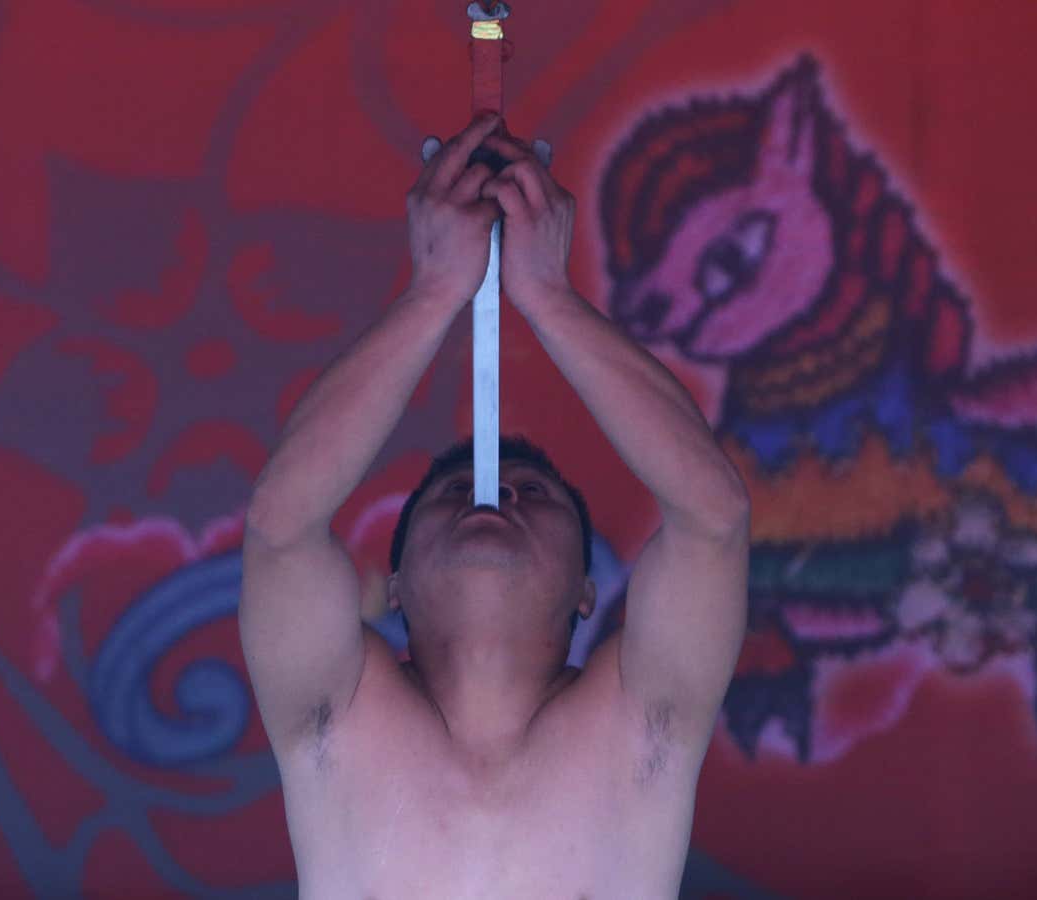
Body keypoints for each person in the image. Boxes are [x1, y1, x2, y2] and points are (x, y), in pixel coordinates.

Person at [238, 112, 751, 899]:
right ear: (396, 582)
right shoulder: (333, 711)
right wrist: (435, 290)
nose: (497, 493)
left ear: (589, 589)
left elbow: (712, 517)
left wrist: (548, 295)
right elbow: (281, 526)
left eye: (536, 495)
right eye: (451, 494)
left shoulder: (645, 716)